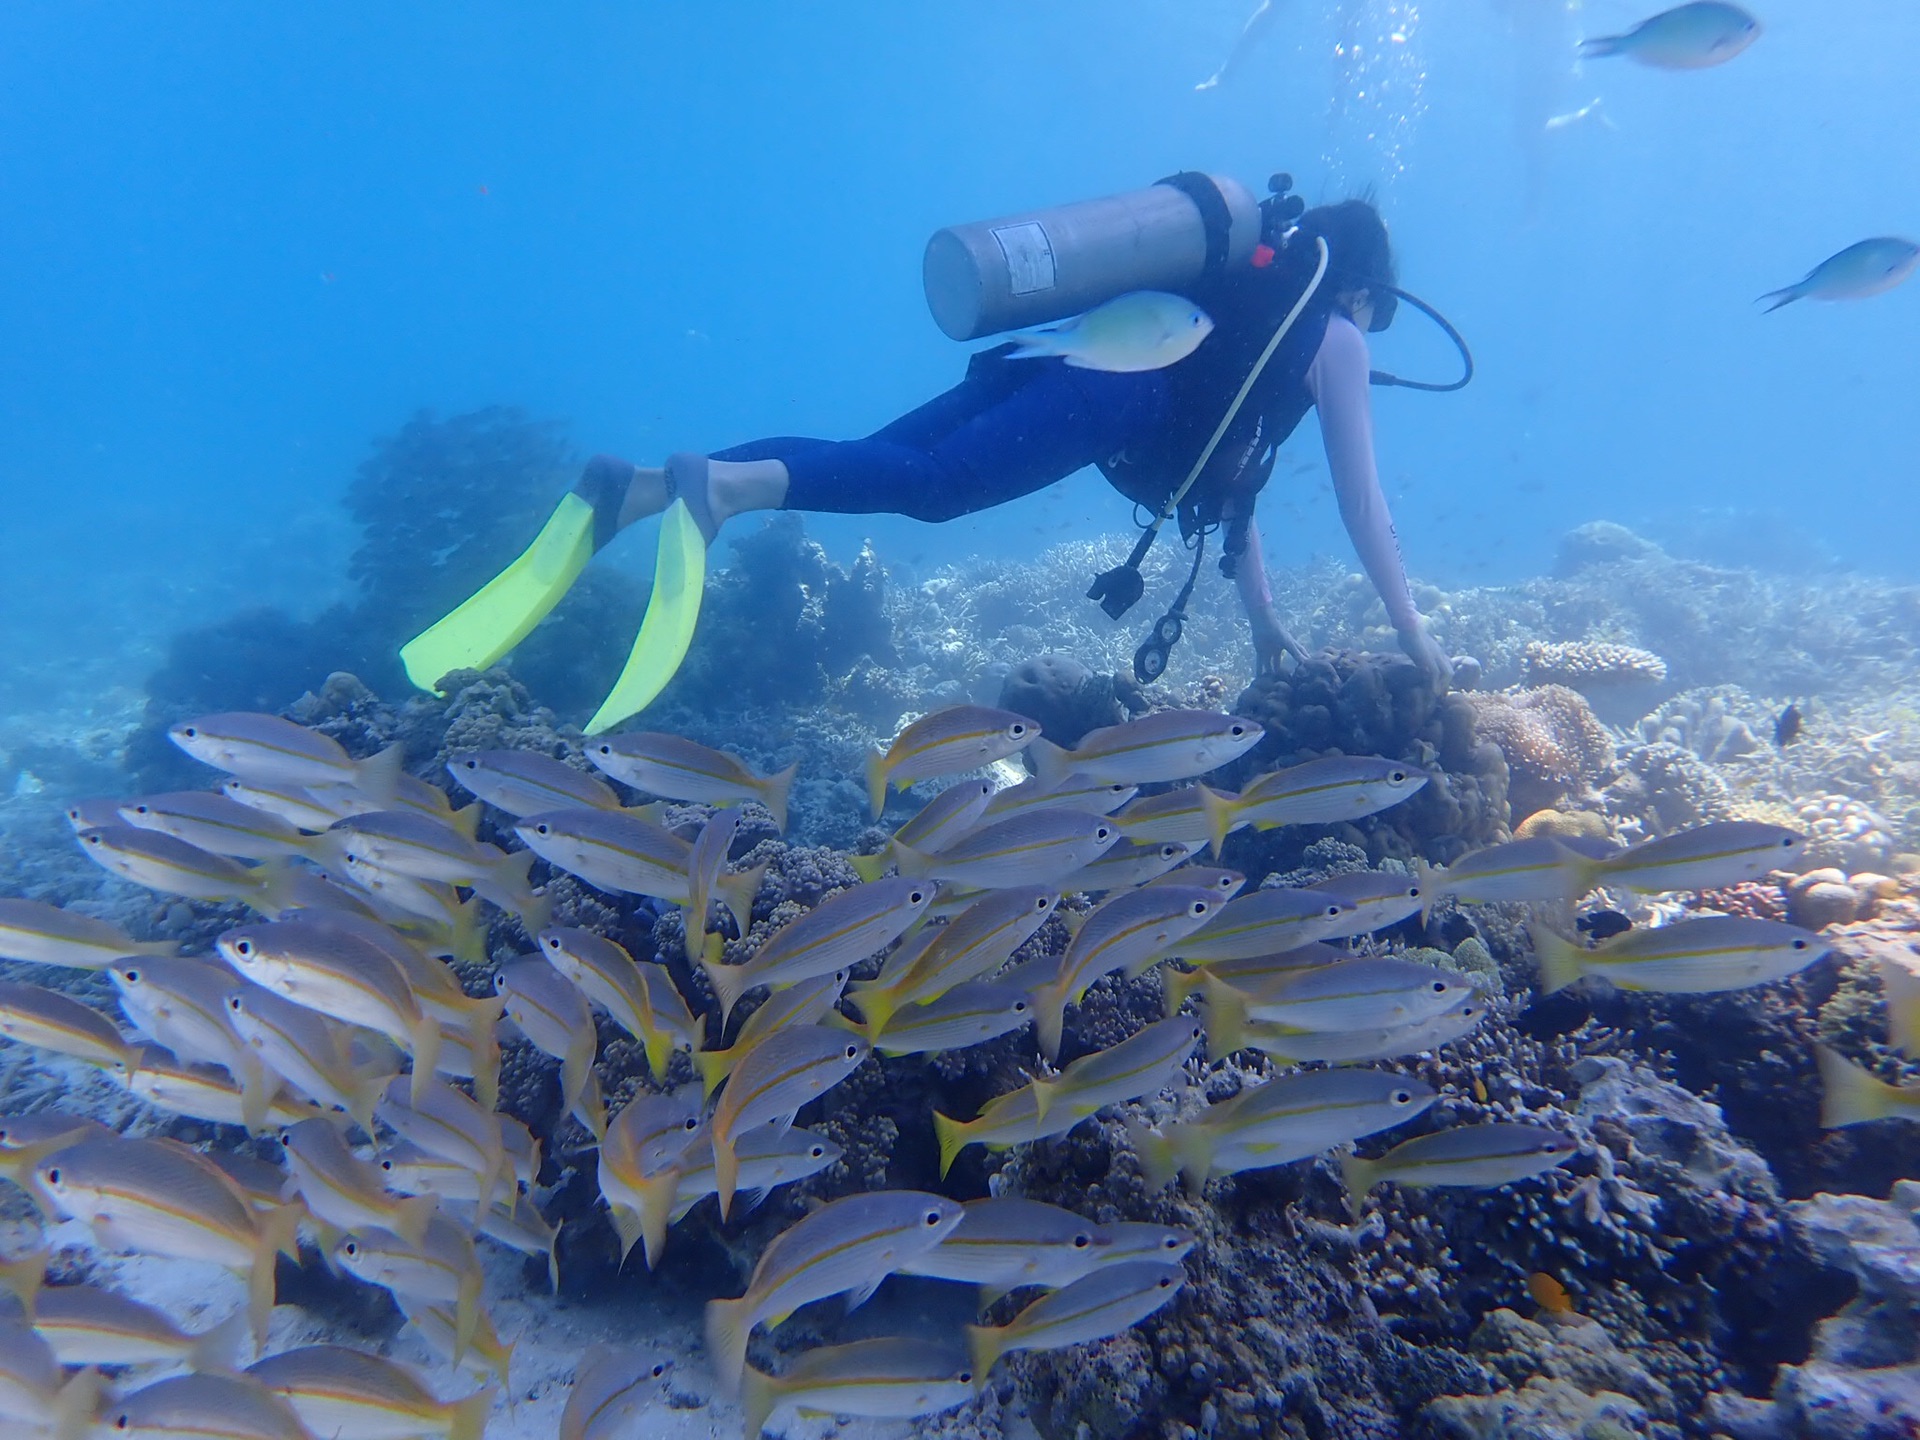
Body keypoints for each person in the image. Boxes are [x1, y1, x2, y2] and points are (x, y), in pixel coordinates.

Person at [401, 197, 1451, 732]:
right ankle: (724, 492)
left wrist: (1267, 627)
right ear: (1362, 288)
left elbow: (1238, 486)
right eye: (1376, 309)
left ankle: (636, 493)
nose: (1367, 332)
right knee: (935, 491)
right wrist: (1419, 643)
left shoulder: (1249, 303)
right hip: (1114, 385)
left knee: (891, 457)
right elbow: (1364, 508)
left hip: (1064, 347)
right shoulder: (1334, 335)